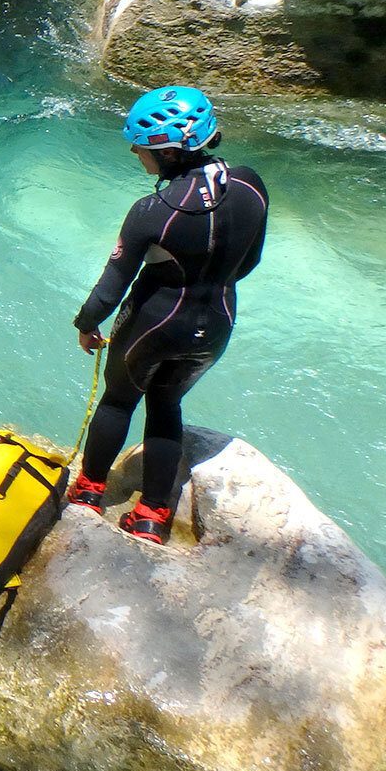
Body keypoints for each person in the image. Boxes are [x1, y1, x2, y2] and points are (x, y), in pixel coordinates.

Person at [68, 87, 269, 544]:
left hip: (153, 324)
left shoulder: (151, 212)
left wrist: (85, 325)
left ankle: (88, 491)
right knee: (166, 404)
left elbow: (110, 289)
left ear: (168, 150)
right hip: (216, 323)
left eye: (141, 145)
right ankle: (153, 515)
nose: (136, 153)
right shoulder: (250, 185)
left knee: (119, 400)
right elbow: (250, 262)